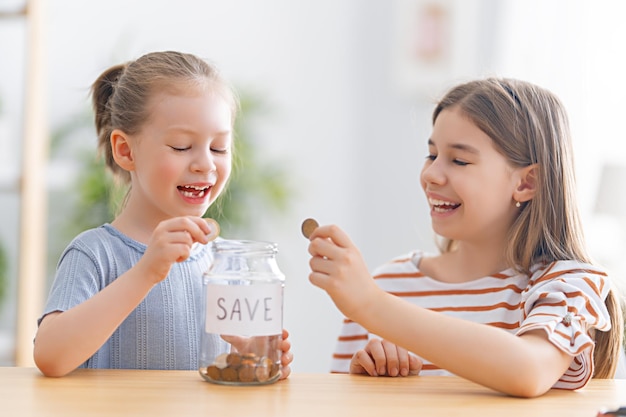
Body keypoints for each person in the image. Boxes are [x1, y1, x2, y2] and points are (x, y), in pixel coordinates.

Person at [305, 78, 624, 398]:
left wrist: (371, 305)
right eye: (431, 156)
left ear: (527, 183)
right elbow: (345, 403)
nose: (431, 174)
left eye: (459, 160)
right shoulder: (390, 282)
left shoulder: (566, 286)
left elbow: (529, 371)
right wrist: (366, 382)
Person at [33, 51, 293, 378]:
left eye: (219, 148)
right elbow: (50, 356)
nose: (206, 164)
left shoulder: (225, 264)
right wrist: (146, 272)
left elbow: (238, 360)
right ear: (126, 151)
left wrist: (258, 357)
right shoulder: (94, 254)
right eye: (182, 146)